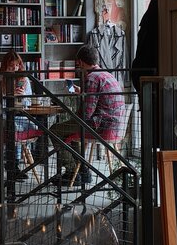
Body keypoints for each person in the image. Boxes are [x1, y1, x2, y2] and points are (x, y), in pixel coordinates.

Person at [50, 44, 126, 186]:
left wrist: (74, 115)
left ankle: (73, 171)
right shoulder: (107, 75)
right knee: (69, 131)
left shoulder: (91, 79)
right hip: (116, 127)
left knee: (54, 130)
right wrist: (82, 92)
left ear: (81, 62)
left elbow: (87, 114)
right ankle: (83, 171)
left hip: (101, 126)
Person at [0, 50, 33, 182]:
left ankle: (13, 165)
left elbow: (29, 103)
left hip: (20, 115)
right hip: (2, 117)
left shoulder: (24, 79)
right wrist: (9, 96)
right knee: (12, 126)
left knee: (29, 125)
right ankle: (13, 166)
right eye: (10, 66)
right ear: (4, 66)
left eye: (17, 66)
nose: (14, 69)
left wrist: (22, 97)